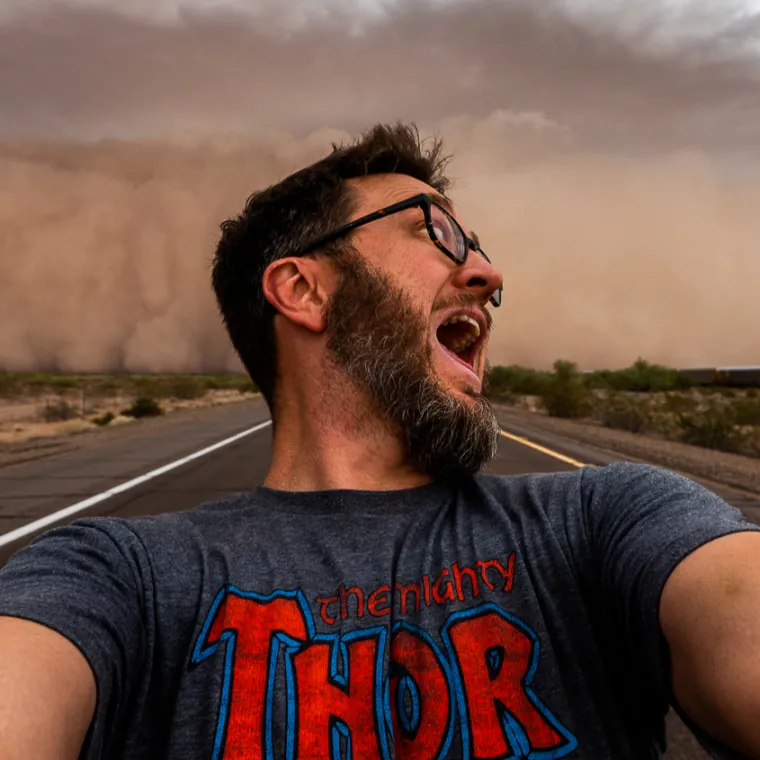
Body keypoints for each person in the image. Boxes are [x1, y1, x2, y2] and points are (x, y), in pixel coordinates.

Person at [0, 123, 758, 760]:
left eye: (479, 247)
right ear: (302, 290)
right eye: (440, 233)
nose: (489, 275)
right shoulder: (122, 581)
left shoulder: (608, 520)